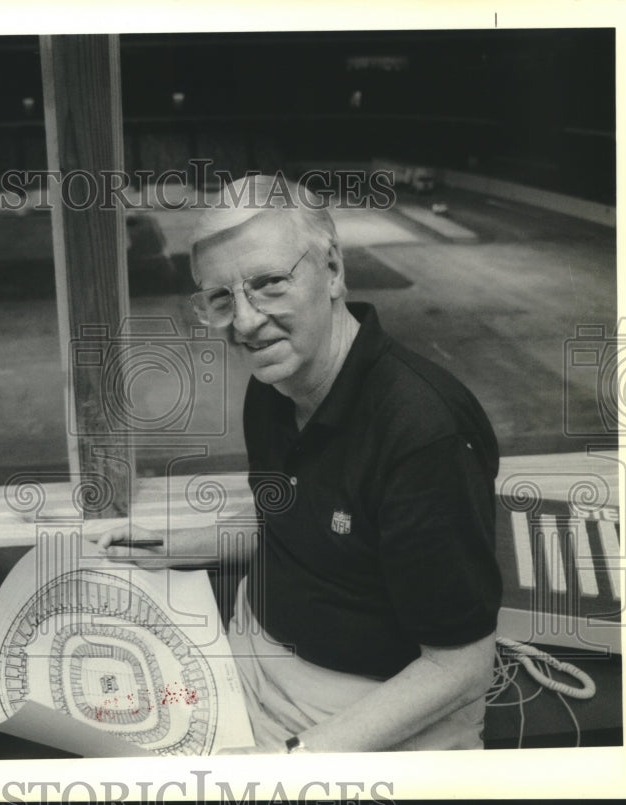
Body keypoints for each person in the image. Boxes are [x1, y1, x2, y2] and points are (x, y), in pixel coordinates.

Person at [92, 174, 502, 753]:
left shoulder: (424, 431)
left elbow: (460, 669)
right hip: (249, 657)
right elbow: (293, 529)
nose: (245, 321)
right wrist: (167, 541)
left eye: (268, 284)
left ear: (333, 270)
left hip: (362, 708)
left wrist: (295, 764)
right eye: (221, 299)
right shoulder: (273, 387)